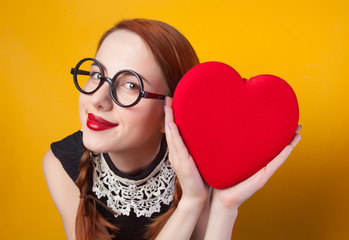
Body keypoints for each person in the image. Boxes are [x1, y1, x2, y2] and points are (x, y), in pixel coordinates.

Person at [43, 18, 302, 240]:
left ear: (169, 111)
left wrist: (225, 205)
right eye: (97, 75)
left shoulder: (203, 159)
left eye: (131, 85)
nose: (98, 99)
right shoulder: (61, 164)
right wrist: (191, 203)